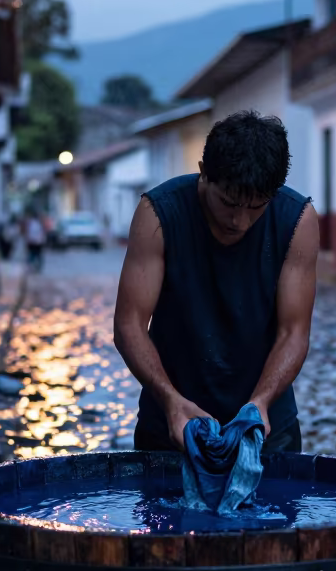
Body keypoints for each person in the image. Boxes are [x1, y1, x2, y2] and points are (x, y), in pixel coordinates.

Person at [114, 110, 319, 453]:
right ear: (204, 173)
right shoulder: (158, 214)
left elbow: (293, 333)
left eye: (256, 208)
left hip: (266, 428)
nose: (239, 220)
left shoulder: (297, 221)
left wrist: (261, 403)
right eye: (228, 203)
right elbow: (129, 325)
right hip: (169, 424)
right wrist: (170, 401)